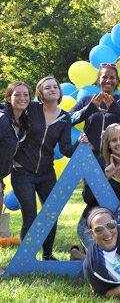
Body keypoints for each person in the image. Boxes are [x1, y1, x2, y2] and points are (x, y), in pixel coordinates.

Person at [11, 76, 88, 261]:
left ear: (60, 92)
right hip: (22, 172)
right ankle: (25, 259)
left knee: (51, 213)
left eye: (55, 87)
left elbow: (65, 149)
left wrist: (79, 144)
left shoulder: (65, 117)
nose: (53, 89)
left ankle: (47, 255)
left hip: (46, 174)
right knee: (30, 215)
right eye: (47, 88)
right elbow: (9, 107)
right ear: (41, 94)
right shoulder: (32, 109)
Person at [69, 63, 120, 233]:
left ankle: (116, 234)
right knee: (92, 199)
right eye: (104, 77)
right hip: (91, 160)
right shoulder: (87, 99)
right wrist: (90, 107)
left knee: (113, 200)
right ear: (98, 80)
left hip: (115, 160)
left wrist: (117, 108)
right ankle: (87, 234)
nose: (108, 80)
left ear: (117, 81)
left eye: (112, 77)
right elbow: (68, 119)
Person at [74, 123, 120, 254]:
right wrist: (105, 177)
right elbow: (87, 197)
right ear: (108, 145)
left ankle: (79, 255)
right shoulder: (98, 164)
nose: (119, 143)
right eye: (113, 140)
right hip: (94, 226)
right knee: (105, 260)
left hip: (117, 226)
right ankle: (78, 254)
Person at [0, 82, 30, 215]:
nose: (22, 98)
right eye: (17, 94)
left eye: (25, 94)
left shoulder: (24, 123)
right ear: (8, 98)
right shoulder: (1, 119)